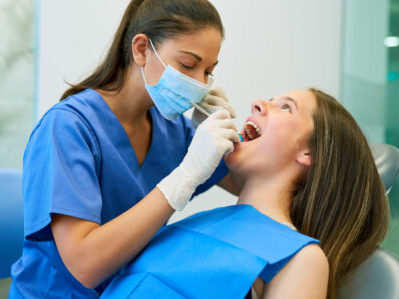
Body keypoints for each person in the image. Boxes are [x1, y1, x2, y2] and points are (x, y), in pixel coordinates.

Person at [9, 1, 243, 298]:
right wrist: (183, 179)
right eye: (187, 65)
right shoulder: (68, 128)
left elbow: (250, 180)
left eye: (208, 72)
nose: (199, 84)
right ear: (142, 49)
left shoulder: (174, 131)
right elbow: (85, 265)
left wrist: (228, 137)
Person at [100, 88, 390, 299]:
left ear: (309, 152)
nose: (257, 103)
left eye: (286, 108)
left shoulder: (301, 259)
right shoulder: (200, 222)